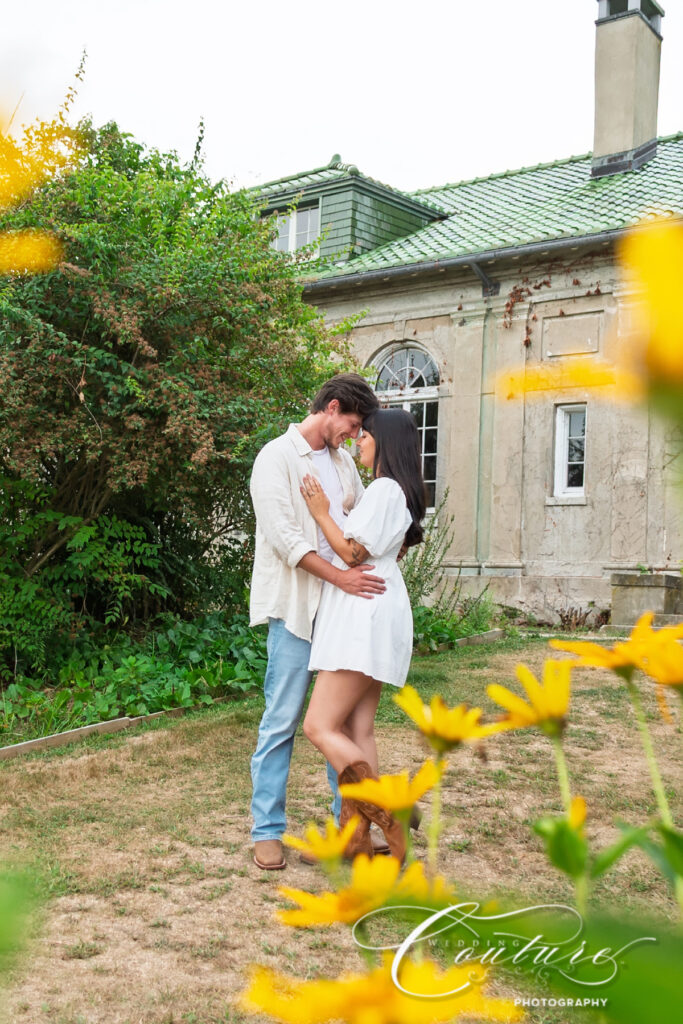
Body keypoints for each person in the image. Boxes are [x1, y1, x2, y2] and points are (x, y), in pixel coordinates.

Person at [249, 373, 384, 871]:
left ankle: (349, 828)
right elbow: (286, 541)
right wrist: (341, 578)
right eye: (351, 423)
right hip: (296, 611)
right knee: (282, 721)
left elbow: (351, 527)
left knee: (341, 723)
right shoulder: (276, 458)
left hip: (341, 613)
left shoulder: (344, 463)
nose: (353, 434)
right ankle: (266, 831)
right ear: (331, 408)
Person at [300, 408, 426, 861]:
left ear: (384, 442)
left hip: (362, 615)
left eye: (365, 435)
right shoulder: (397, 494)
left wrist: (321, 512)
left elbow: (353, 554)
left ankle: (389, 813)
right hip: (374, 609)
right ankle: (357, 842)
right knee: (358, 728)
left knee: (318, 725)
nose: (359, 442)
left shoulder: (386, 489)